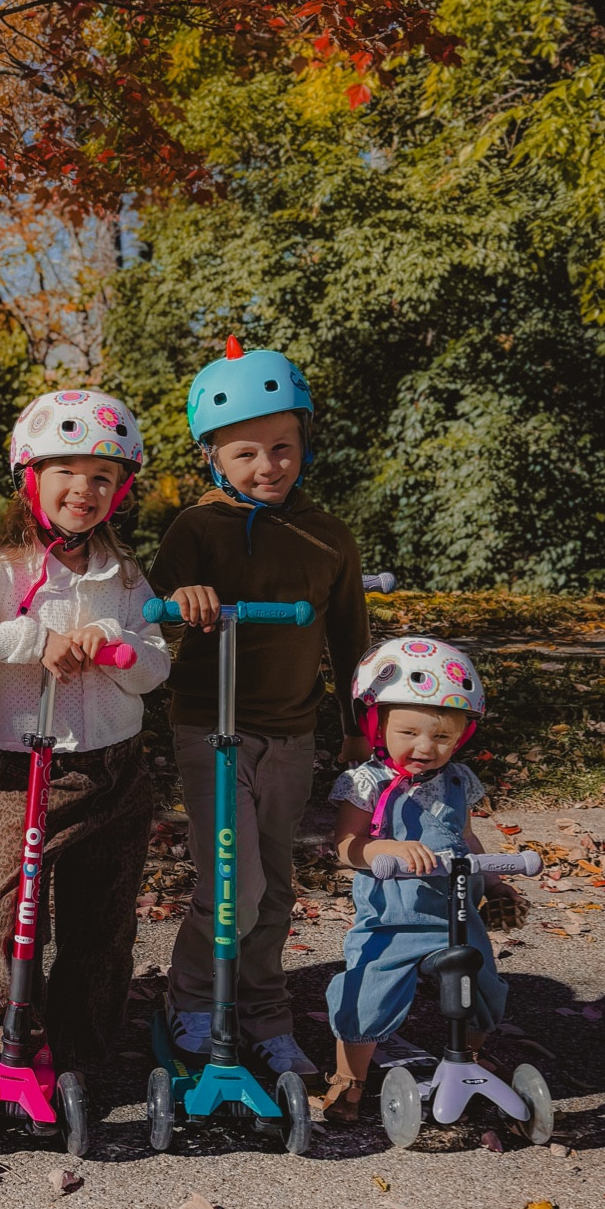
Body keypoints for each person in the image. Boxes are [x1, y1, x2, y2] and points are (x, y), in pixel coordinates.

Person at [0, 390, 171, 1077]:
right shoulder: (4, 576)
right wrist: (32, 638)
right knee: (4, 919)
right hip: (33, 772)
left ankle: (83, 1055)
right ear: (31, 479)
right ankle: (13, 1037)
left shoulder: (126, 578)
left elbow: (154, 668)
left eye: (101, 477)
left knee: (103, 927)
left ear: (120, 491)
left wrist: (117, 644)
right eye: (65, 472)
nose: (82, 489)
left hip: (118, 772)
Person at [151, 336, 370, 1078]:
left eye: (283, 447)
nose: (268, 465)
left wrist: (354, 726)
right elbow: (151, 611)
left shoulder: (327, 534)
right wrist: (183, 601)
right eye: (246, 453)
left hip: (293, 731)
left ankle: (265, 1011)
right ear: (213, 457)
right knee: (232, 883)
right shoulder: (196, 526)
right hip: (209, 727)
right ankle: (188, 1000)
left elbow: (350, 635)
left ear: (305, 443)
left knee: (274, 884)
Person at [318, 636, 516, 1121]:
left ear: (460, 738)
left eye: (442, 738)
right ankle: (350, 1080)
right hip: (392, 921)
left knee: (484, 989)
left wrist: (496, 884)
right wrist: (382, 847)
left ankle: (466, 1058)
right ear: (376, 724)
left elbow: (466, 839)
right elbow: (346, 847)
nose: (424, 748)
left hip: (457, 913)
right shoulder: (366, 783)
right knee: (366, 995)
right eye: (408, 732)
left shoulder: (457, 780)